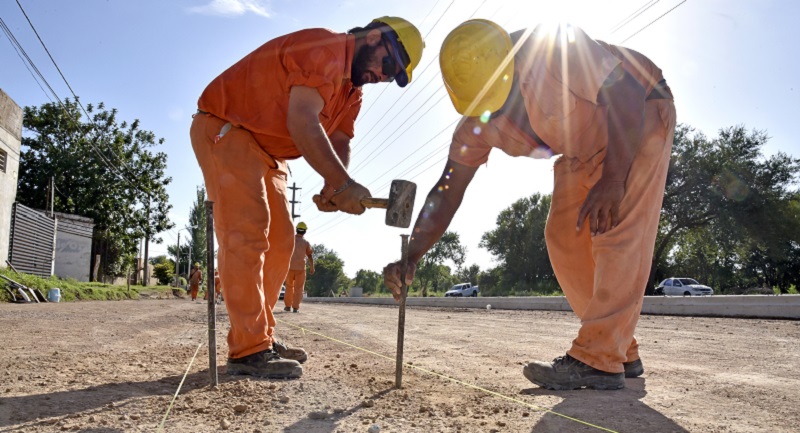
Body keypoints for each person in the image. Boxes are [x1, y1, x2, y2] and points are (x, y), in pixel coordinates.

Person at [383, 20, 675, 391]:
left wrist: (614, 180)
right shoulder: (478, 121)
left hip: (638, 116)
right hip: (582, 148)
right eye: (484, 107)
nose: (498, 114)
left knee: (616, 233)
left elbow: (627, 93)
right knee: (563, 238)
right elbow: (446, 191)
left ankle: (599, 358)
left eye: (501, 99)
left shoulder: (555, 50)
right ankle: (620, 349)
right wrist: (413, 255)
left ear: (512, 66)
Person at [191, 17, 424, 379]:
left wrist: (334, 186)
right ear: (374, 37)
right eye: (388, 63)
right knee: (247, 232)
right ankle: (248, 348)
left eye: (391, 76)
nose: (383, 75)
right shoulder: (326, 48)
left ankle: (260, 337)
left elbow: (341, 141)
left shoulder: (352, 93)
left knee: (282, 241)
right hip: (228, 128)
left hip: (268, 153)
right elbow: (302, 120)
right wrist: (343, 185)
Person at [283, 222, 314, 313]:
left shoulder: (290, 240)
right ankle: (295, 307)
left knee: (289, 286)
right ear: (305, 231)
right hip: (300, 269)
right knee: (299, 288)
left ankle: (288, 306)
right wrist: (312, 267)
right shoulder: (306, 243)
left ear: (296, 230)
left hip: (289, 267)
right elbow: (310, 256)